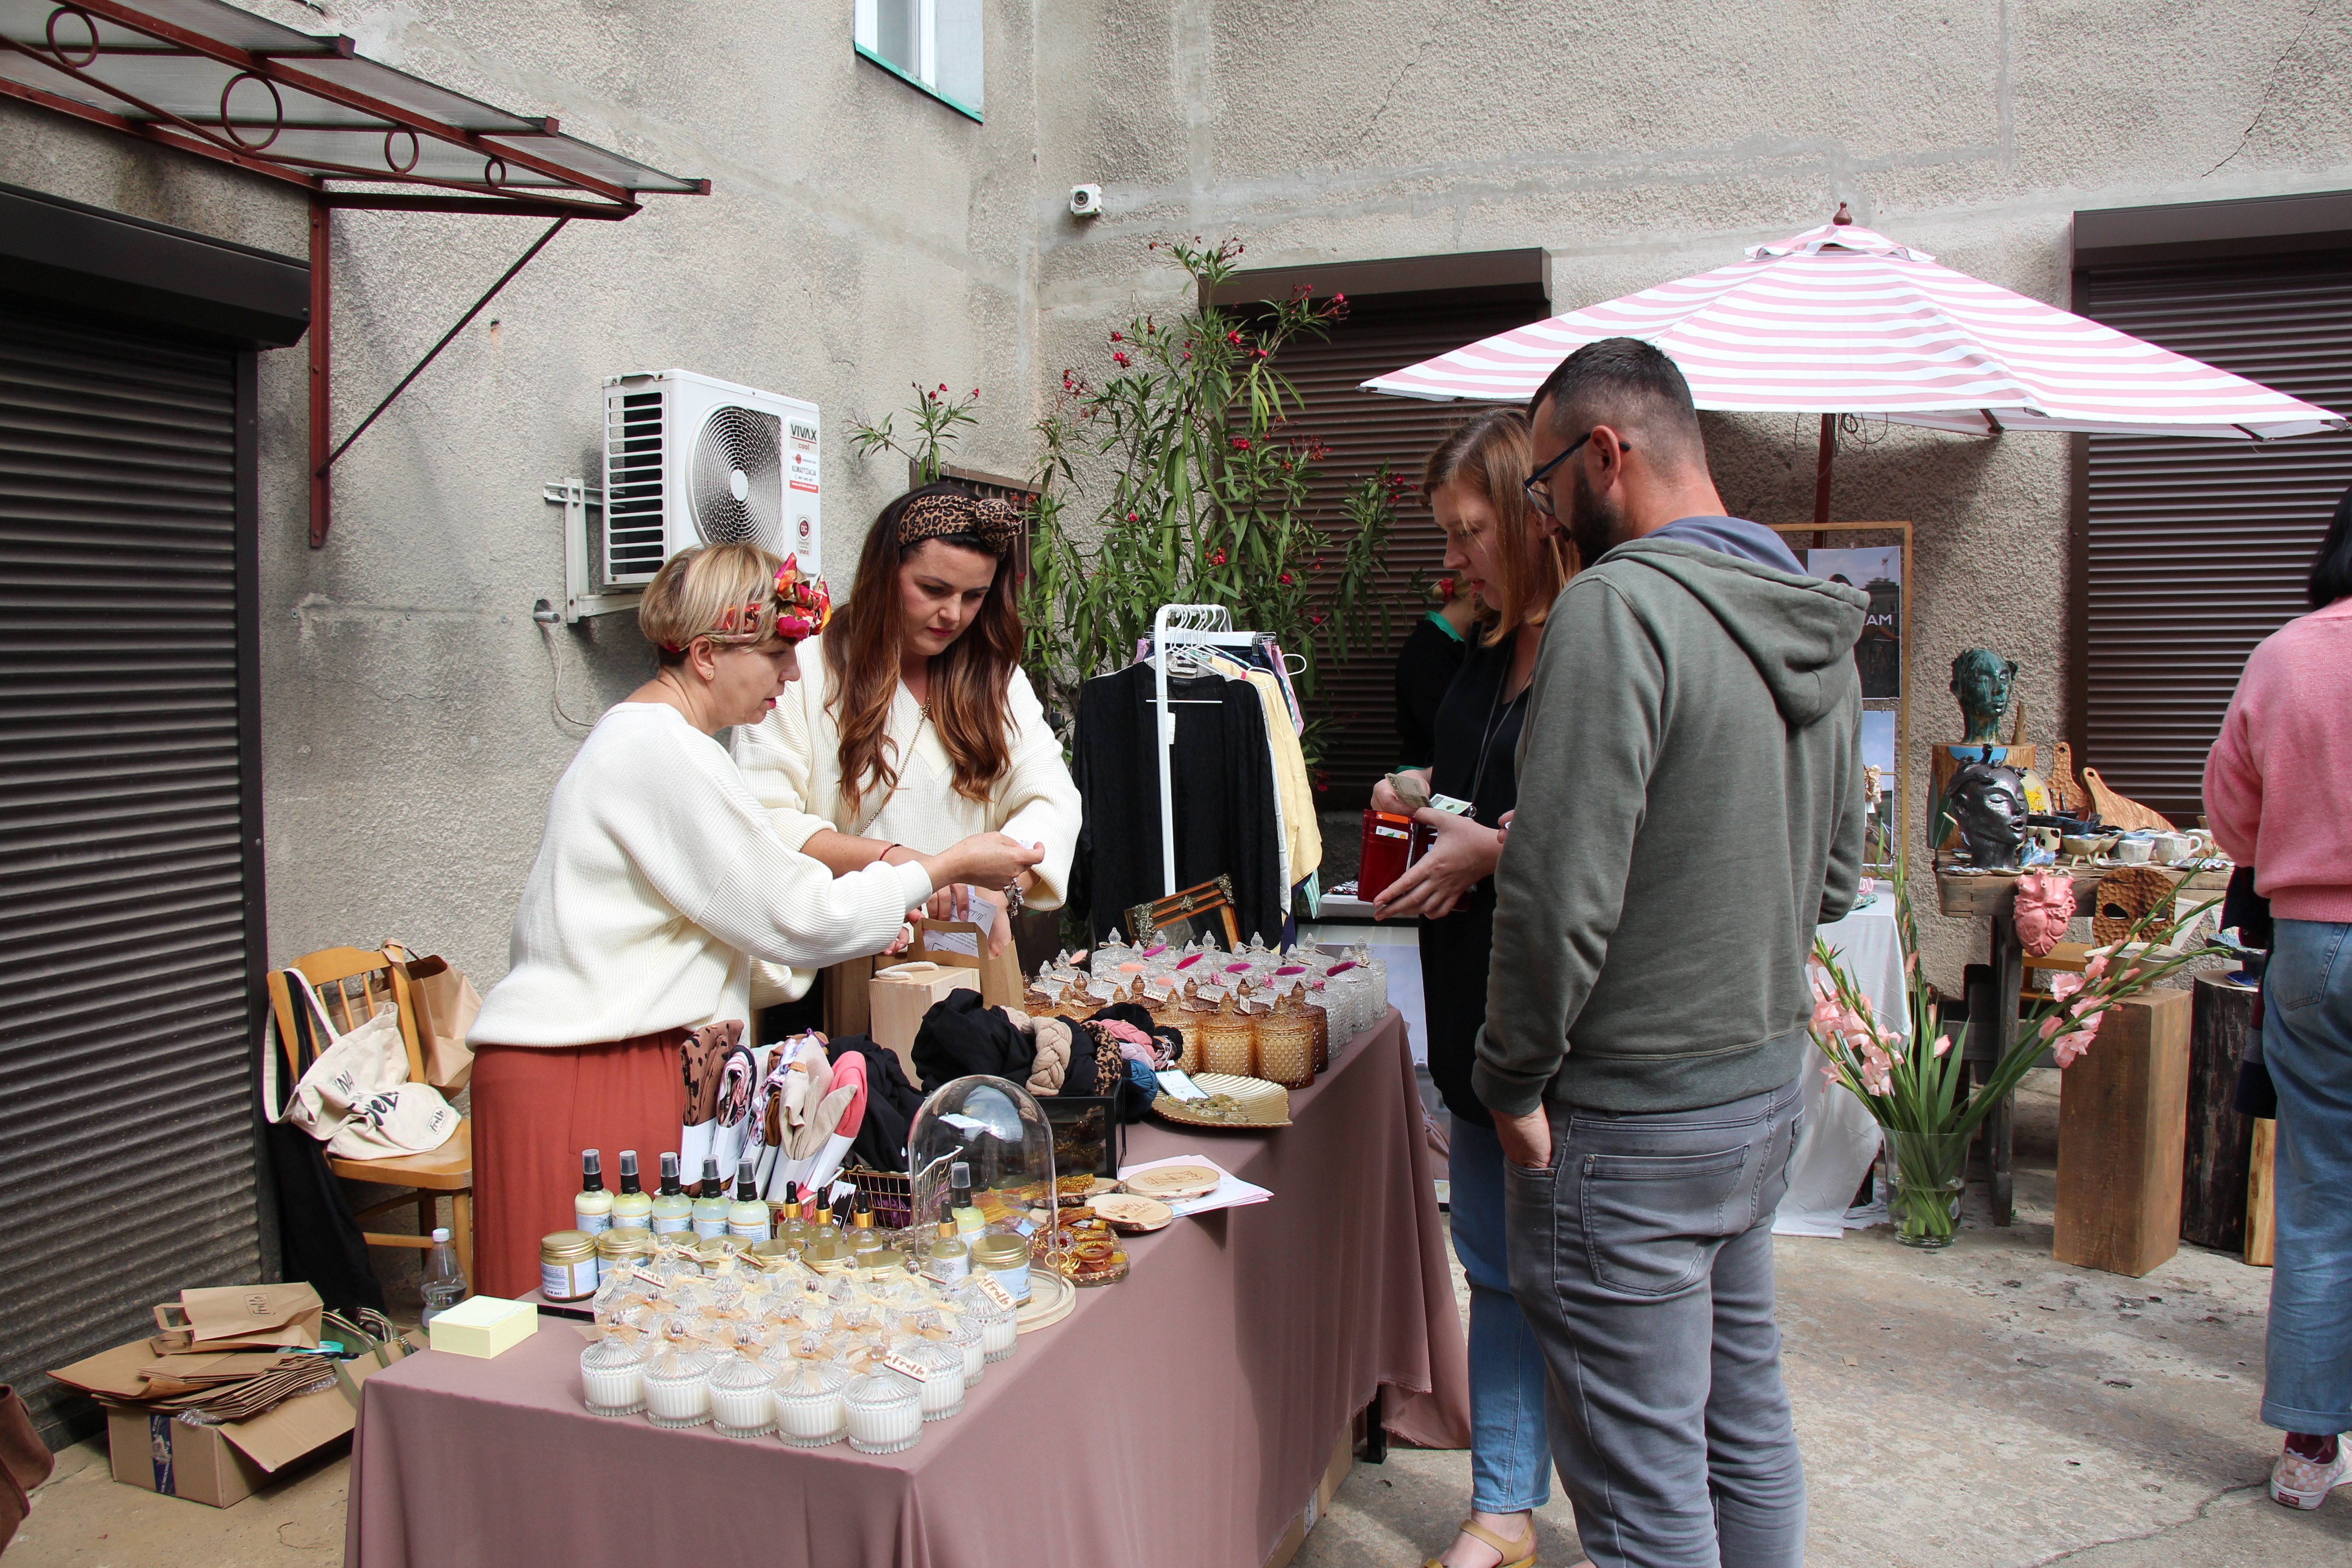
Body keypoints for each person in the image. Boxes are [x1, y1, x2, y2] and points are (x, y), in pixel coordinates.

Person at [1479, 338, 1866, 1568]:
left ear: (1606, 454)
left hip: (1628, 1122)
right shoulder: (1808, 611)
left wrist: (1512, 1078)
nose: (1542, 522)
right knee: (1741, 1429)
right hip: (1757, 1095)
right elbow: (1837, 881)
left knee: (1647, 1505)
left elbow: (1558, 894)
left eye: (1541, 491)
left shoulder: (1619, 606)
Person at [466, 544, 1041, 1297]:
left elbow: (736, 921)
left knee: (625, 1320)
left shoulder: (663, 743)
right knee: (580, 1326)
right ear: (705, 654)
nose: (792, 674)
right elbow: (792, 913)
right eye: (776, 653)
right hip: (588, 1069)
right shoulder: (659, 751)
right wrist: (944, 864)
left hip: (614, 1059)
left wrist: (880, 912)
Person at [1370, 409, 1574, 1568]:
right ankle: (1502, 1508)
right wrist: (1425, 796)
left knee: (1582, 1288)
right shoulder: (1482, 654)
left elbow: (1622, 835)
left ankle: (1634, 1518)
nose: (1455, 556)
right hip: (1471, 1010)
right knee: (1493, 1271)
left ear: (1531, 512)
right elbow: (1475, 783)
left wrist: (1496, 850)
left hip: (1559, 1023)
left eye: (1470, 528)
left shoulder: (1595, 647)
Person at [734, 484, 1081, 994]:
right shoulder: (800, 669)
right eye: (934, 590)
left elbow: (1052, 800)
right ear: (884, 575)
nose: (954, 615)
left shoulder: (998, 680)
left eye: (974, 596)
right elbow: (765, 822)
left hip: (970, 959)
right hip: (841, 963)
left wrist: (1002, 891)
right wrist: (918, 869)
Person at [2203, 486, 2352, 1511]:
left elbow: (2227, 809)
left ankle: (2306, 1448)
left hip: (2307, 948)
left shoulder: (2284, 655)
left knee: (2318, 1195)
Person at [1394, 575, 1480, 770]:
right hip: (1425, 772)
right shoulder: (1429, 648)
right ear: (1476, 595)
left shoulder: (1459, 645)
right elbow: (1444, 726)